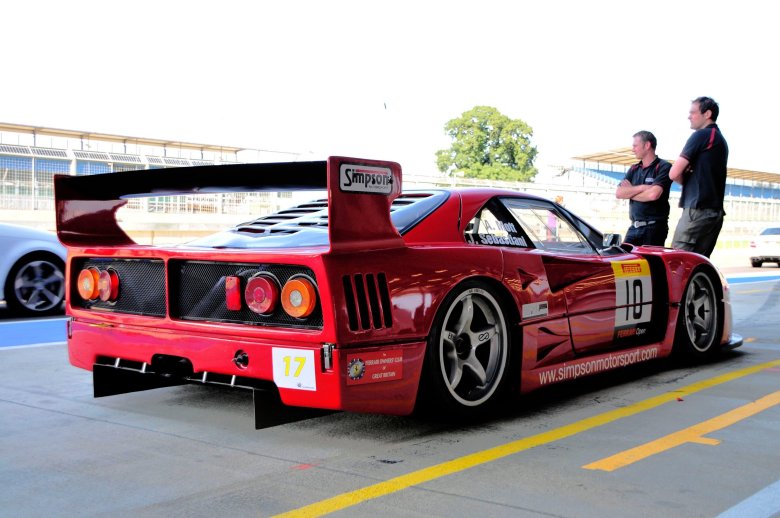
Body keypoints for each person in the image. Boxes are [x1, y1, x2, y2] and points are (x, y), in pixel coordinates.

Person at [669, 96, 729, 257]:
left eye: (693, 112)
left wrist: (684, 177)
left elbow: (673, 173)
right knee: (699, 265)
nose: (689, 116)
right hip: (714, 214)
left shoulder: (701, 135)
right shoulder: (720, 139)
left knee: (678, 261)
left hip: (697, 212)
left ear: (707, 114)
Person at [615, 131, 672, 246]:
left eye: (635, 145)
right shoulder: (634, 168)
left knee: (650, 263)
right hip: (634, 227)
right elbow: (619, 193)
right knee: (624, 259)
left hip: (654, 228)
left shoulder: (664, 167)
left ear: (647, 145)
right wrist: (642, 187)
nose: (632, 149)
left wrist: (630, 191)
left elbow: (653, 195)